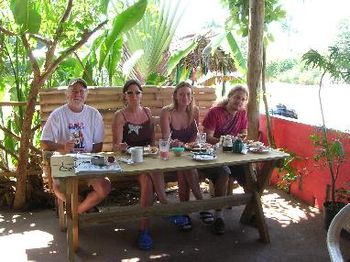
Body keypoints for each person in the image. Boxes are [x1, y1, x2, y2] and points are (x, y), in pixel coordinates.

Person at [112, 79, 175, 250]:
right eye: (130, 93)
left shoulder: (147, 112)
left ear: (142, 95)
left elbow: (153, 143)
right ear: (124, 96)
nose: (134, 95)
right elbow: (115, 147)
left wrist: (155, 150)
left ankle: (152, 219)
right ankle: (147, 226)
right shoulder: (120, 116)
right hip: (130, 161)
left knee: (156, 169)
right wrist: (121, 147)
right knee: (147, 178)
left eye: (137, 92)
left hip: (148, 159)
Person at [41, 78, 111, 214]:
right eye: (74, 91)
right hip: (64, 162)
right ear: (67, 94)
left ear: (86, 95)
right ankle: (86, 207)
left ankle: (75, 212)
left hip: (87, 162)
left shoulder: (94, 114)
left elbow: (98, 144)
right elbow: (44, 142)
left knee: (105, 187)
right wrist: (62, 148)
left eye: (81, 91)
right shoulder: (57, 115)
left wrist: (90, 164)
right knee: (59, 189)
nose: (77, 94)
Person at [160, 81, 211, 231]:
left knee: (185, 169)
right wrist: (175, 143)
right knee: (186, 167)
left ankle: (185, 212)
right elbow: (166, 139)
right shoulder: (166, 112)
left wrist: (188, 146)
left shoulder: (194, 111)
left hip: (188, 153)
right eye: (181, 94)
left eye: (188, 94)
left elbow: (195, 136)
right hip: (171, 154)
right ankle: (202, 205)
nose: (185, 97)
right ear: (175, 96)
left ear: (191, 96)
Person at [202, 84, 249, 235]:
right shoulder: (215, 112)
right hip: (213, 155)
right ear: (229, 97)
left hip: (233, 156)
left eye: (243, 99)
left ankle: (251, 210)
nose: (239, 102)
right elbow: (207, 137)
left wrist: (242, 136)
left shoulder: (242, 114)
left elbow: (243, 131)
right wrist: (225, 142)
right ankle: (218, 216)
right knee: (224, 172)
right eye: (236, 97)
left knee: (249, 173)